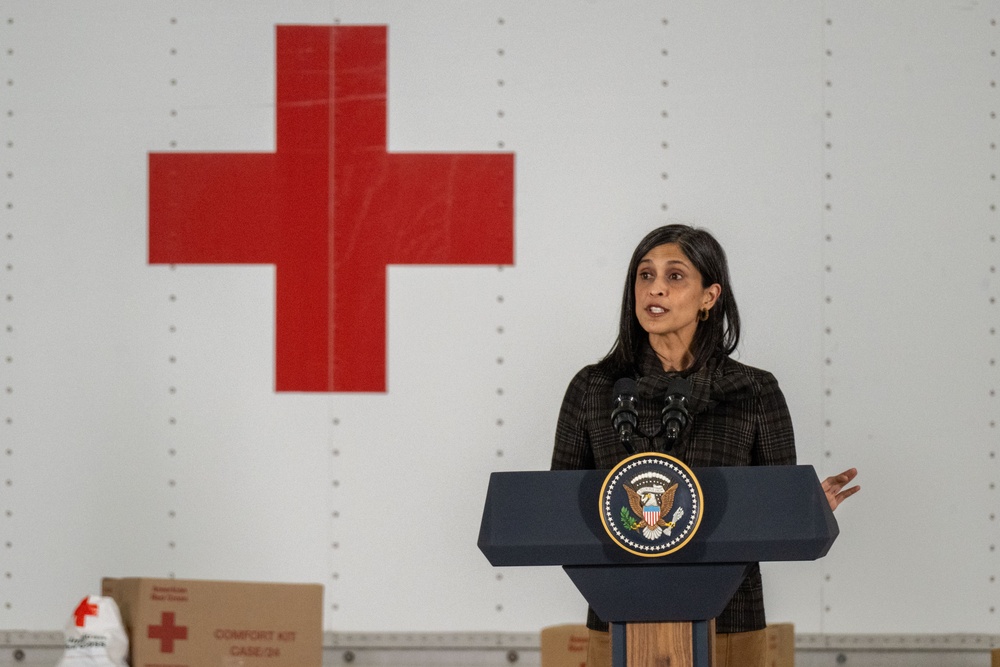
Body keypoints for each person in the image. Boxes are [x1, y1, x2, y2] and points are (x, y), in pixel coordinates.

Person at [550, 224, 859, 667]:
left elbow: (772, 510)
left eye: (675, 276)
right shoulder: (594, 388)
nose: (655, 288)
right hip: (618, 621)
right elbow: (559, 508)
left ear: (709, 297)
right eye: (644, 275)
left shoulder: (753, 390)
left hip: (730, 623)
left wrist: (805, 507)